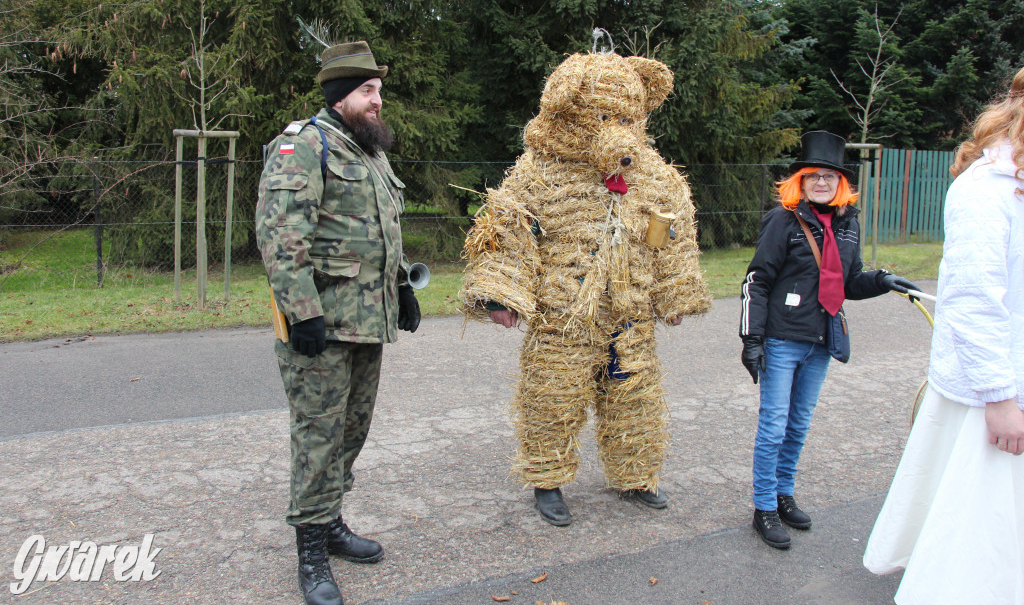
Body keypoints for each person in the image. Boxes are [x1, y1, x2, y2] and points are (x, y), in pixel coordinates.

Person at [459, 49, 710, 526]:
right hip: (563, 312)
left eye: (624, 116)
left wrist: (674, 294)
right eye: (602, 116)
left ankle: (635, 475)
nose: (615, 127)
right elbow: (506, 228)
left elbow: (673, 233)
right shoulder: (541, 171)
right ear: (569, 112)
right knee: (554, 396)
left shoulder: (653, 173)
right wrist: (499, 293)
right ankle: (548, 479)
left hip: (629, 310)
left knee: (634, 396)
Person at [255, 40, 420, 605]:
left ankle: (330, 522)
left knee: (352, 431)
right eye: (368, 91)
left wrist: (401, 286)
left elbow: (383, 226)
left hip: (366, 323)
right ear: (340, 95)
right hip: (320, 327)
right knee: (317, 436)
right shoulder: (303, 146)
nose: (378, 101)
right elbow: (280, 237)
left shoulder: (369, 150)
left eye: (378, 90)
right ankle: (311, 550)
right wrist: (302, 314)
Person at [863, 69, 1024, 603]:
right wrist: (1000, 396)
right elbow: (975, 299)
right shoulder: (985, 189)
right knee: (978, 537)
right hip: (995, 391)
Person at [739, 130, 920, 550]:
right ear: (799, 181)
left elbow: (848, 282)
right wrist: (752, 338)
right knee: (773, 428)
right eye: (813, 175)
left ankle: (784, 496)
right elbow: (757, 281)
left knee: (798, 426)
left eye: (830, 176)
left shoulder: (848, 224)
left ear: (842, 184)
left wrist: (882, 280)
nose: (822, 182)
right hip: (782, 340)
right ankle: (763, 506)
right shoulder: (782, 221)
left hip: (822, 340)